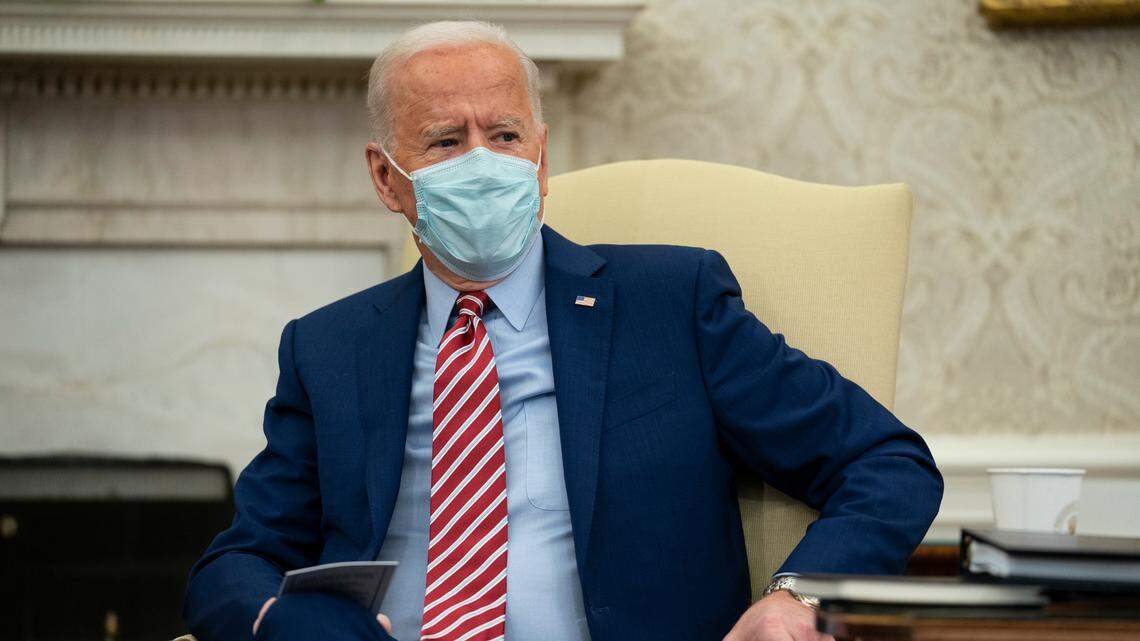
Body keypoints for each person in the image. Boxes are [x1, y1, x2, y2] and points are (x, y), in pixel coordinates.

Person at [183, 20, 943, 641]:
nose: (483, 162)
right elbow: (239, 559)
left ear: (540, 158)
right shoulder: (329, 348)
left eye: (506, 136)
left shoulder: (671, 303)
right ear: (387, 178)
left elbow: (886, 460)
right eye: (447, 141)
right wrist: (277, 618)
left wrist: (796, 597)